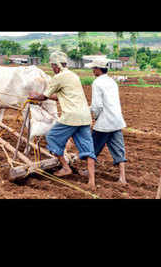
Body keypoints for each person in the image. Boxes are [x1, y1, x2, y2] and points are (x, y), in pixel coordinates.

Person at [28, 51, 97, 188]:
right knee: (89, 150)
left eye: (53, 66)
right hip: (84, 117)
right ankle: (92, 182)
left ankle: (65, 167)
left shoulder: (58, 77)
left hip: (70, 117)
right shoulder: (73, 76)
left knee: (52, 137)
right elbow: (63, 96)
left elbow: (45, 96)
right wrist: (42, 97)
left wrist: (34, 96)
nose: (52, 69)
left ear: (57, 66)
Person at [88, 59, 128, 184]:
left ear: (98, 69)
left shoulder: (97, 83)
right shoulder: (112, 81)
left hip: (104, 123)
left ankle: (90, 175)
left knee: (92, 149)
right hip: (116, 120)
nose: (93, 70)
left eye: (94, 68)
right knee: (119, 149)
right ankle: (122, 177)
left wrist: (94, 117)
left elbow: (97, 106)